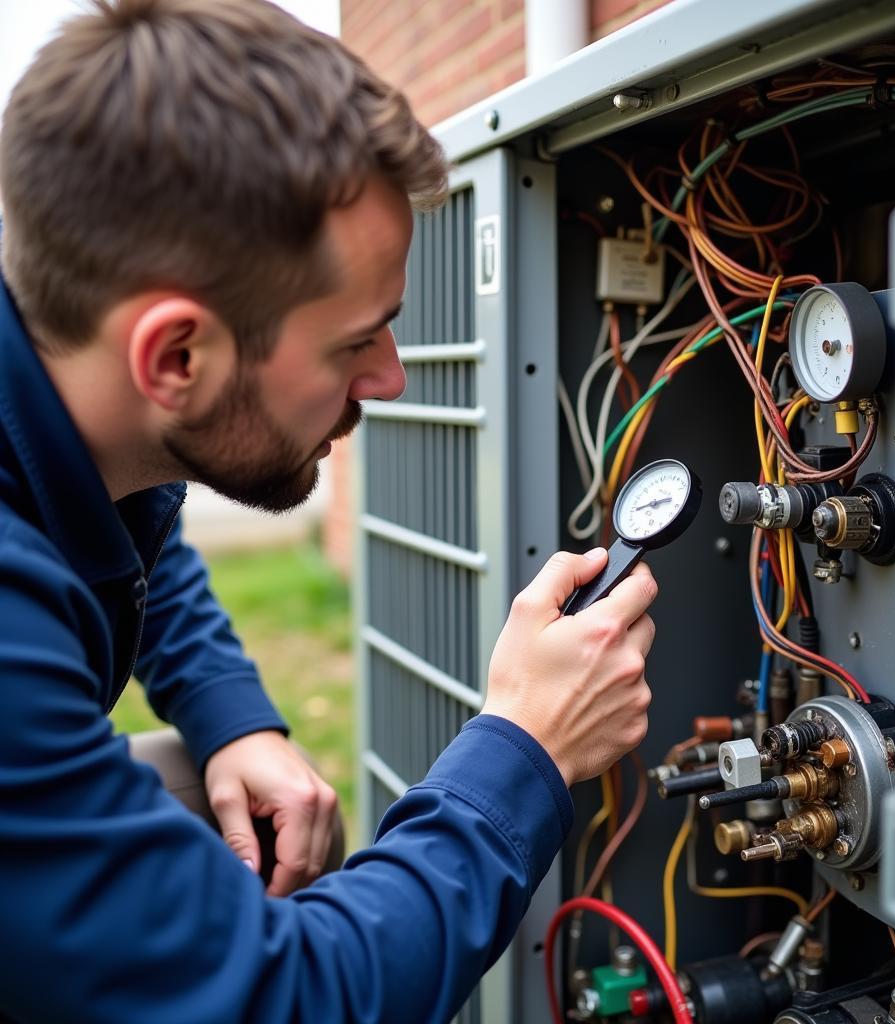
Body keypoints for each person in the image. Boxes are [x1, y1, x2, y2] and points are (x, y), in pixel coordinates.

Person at [0, 1, 657, 1021]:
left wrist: (233, 719)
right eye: (359, 339)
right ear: (175, 356)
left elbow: (134, 530)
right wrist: (525, 745)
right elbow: (279, 999)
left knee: (189, 778)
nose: (391, 377)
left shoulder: (60, 394)